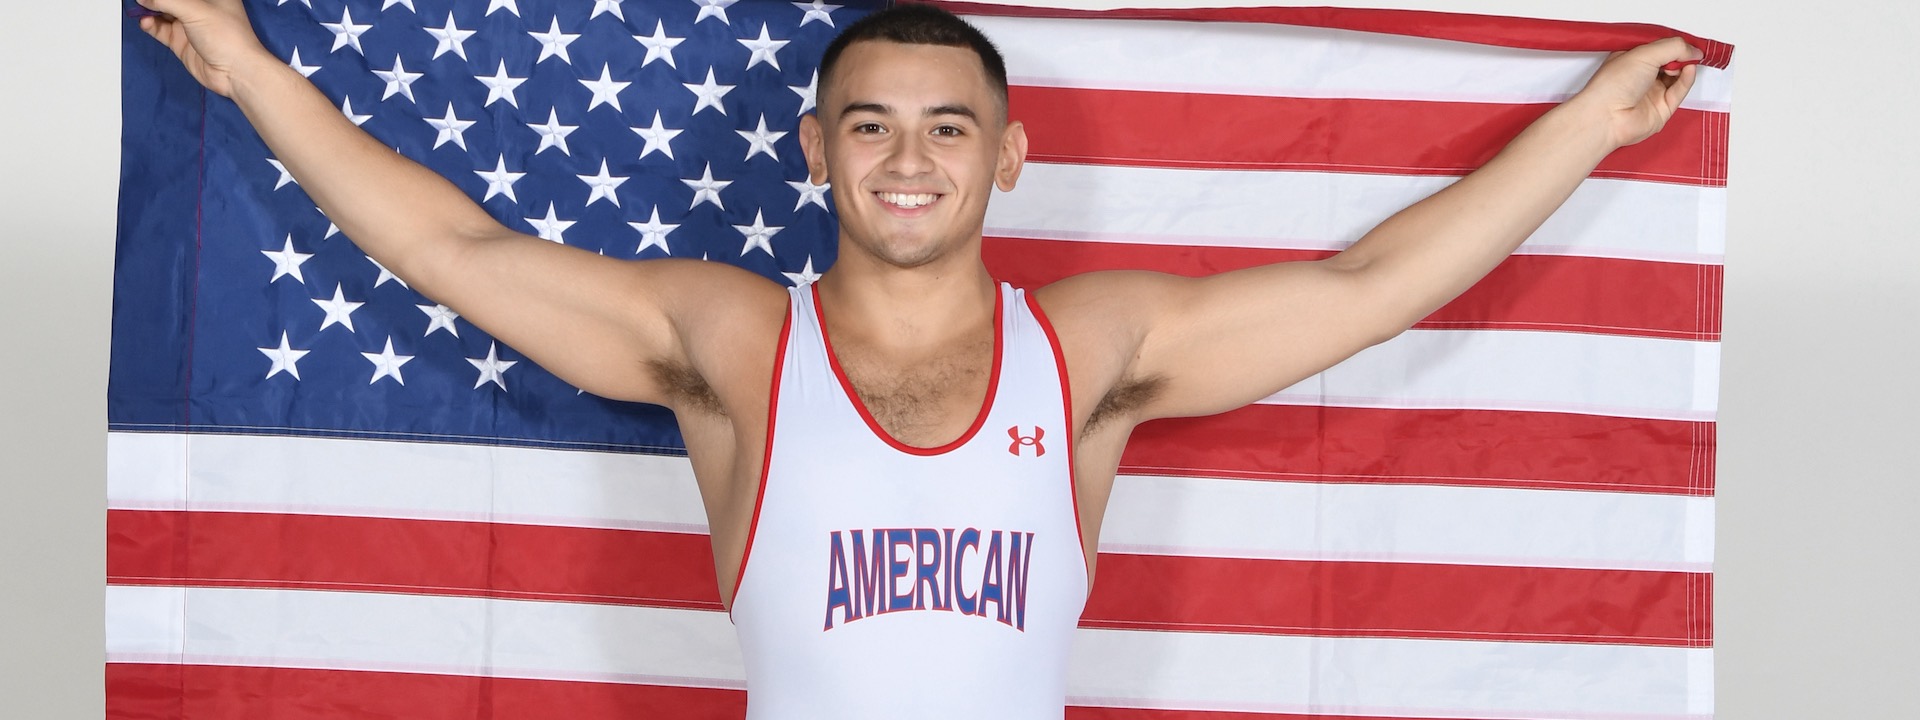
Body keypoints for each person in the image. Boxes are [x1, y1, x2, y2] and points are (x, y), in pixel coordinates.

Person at [134, 0, 1702, 716]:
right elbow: (462, 256)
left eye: (947, 129)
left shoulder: (1087, 349)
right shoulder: (736, 344)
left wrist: (1585, 124)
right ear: (816, 150)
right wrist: (252, 70)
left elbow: (1368, 285)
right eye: (870, 126)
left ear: (1007, 159)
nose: (906, 159)